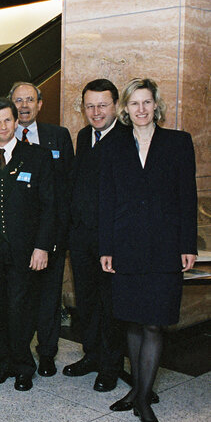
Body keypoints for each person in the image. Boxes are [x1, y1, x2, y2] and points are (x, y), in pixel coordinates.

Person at [100, 78, 197, 422]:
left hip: (166, 245)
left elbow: (188, 196)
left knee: (154, 322)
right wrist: (106, 248)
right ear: (125, 109)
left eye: (147, 103)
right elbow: (107, 200)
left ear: (156, 105)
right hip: (125, 245)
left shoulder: (178, 142)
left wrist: (188, 245)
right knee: (132, 320)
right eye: (134, 104)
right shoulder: (114, 146)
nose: (141, 109)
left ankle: (143, 398)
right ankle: (138, 390)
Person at [0, 97, 55, 392]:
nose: (3, 126)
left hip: (26, 251)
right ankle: (4, 360)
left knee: (21, 309)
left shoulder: (38, 157)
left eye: (8, 119)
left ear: (16, 121)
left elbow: (50, 207)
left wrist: (43, 246)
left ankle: (24, 365)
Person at [65, 79, 130, 391]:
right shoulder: (83, 136)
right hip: (81, 238)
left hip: (111, 240)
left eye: (102, 105)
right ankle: (91, 355)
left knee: (111, 304)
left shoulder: (128, 138)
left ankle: (111, 365)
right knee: (87, 301)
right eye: (90, 106)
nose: (96, 112)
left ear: (115, 105)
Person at [8, 82, 73, 377]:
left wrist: (53, 238)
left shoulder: (58, 137)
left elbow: (67, 188)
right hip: (15, 238)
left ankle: (47, 352)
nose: (24, 105)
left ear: (40, 104)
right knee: (18, 299)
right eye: (18, 100)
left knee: (49, 298)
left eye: (29, 100)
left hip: (51, 236)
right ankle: (16, 352)